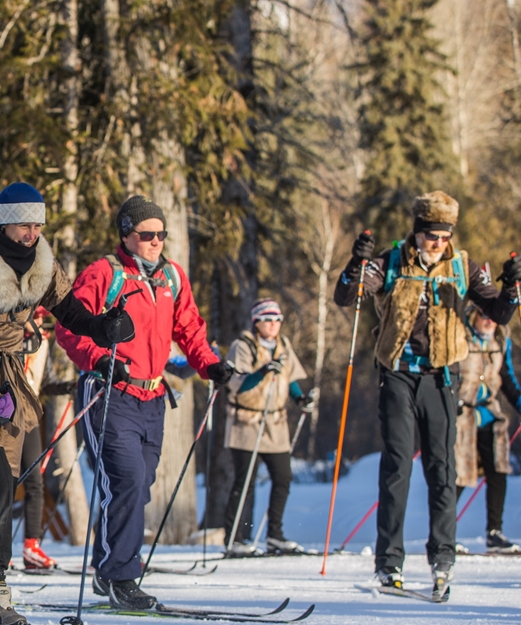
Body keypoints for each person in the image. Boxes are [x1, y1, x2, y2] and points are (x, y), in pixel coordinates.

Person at [0, 182, 134, 625]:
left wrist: (105, 328)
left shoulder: (44, 261)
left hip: (11, 379)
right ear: (6, 220)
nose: (34, 231)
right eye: (26, 222)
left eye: (39, 223)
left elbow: (70, 311)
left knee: (3, 485)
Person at [335, 191, 519, 596]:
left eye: (444, 236)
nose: (438, 243)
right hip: (398, 375)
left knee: (442, 469)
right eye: (431, 236)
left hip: (442, 378)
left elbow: (500, 313)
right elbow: (346, 297)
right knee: (397, 468)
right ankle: (389, 562)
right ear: (417, 233)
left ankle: (442, 555)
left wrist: (511, 286)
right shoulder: (392, 261)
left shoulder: (463, 266)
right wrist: (356, 263)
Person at [57, 195, 231, 610]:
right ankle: (122, 577)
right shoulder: (105, 274)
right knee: (127, 482)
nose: (156, 241)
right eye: (146, 234)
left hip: (152, 395)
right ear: (126, 235)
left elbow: (189, 326)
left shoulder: (171, 276)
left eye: (161, 234)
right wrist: (99, 357)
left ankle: (108, 568)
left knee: (139, 487)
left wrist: (210, 365)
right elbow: (71, 327)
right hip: (109, 392)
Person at [221, 298, 314, 556]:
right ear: (257, 322)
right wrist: (262, 372)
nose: (273, 325)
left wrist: (300, 399)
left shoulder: (283, 345)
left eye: (277, 320)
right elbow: (238, 385)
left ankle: (275, 534)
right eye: (267, 320)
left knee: (283, 477)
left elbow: (291, 378)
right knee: (245, 481)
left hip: (275, 422)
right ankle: (234, 538)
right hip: (246, 421)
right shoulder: (243, 346)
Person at [454, 301, 521, 553]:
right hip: (463, 412)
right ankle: (445, 531)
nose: (489, 321)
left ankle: (495, 532)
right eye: (485, 315)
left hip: (489, 413)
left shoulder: (500, 342)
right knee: (460, 472)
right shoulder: (462, 337)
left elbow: (508, 381)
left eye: (494, 317)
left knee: (498, 469)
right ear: (475, 315)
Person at [19, 307, 57, 570]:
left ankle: (32, 545)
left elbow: (48, 379)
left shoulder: (42, 341)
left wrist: (68, 387)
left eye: (43, 317)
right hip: (4, 413)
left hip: (29, 415)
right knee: (2, 483)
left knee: (35, 480)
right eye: (37, 316)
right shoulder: (8, 336)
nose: (41, 322)